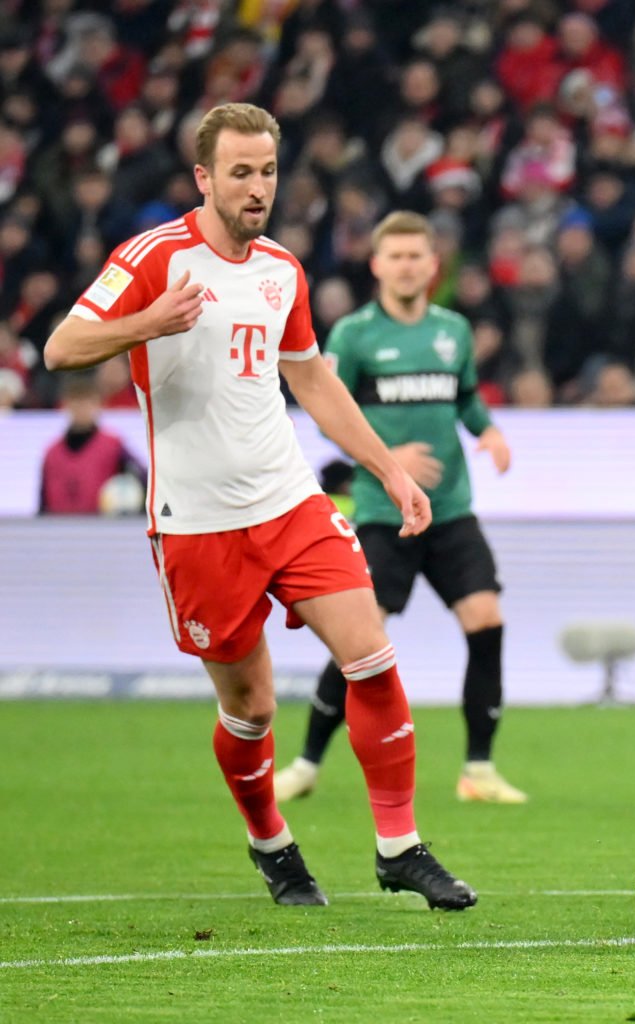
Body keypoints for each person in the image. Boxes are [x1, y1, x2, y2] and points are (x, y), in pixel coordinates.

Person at [41, 103, 476, 910]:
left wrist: (385, 469)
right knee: (251, 707)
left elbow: (311, 378)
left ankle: (399, 846)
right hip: (198, 524)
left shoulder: (282, 269)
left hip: (289, 499)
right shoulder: (152, 258)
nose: (257, 187)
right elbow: (61, 348)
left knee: (370, 654)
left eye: (268, 171)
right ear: (204, 177)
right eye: (240, 172)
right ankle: (272, 843)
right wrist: (147, 321)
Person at [271, 211, 526, 806]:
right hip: (384, 514)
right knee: (361, 640)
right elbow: (325, 412)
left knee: (486, 621)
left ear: (433, 266)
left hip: (452, 509)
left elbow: (463, 396)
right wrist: (390, 457)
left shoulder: (454, 331)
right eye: (398, 256)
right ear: (377, 264)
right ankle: (306, 763)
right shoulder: (354, 336)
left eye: (418, 256)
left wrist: (488, 432)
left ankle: (479, 770)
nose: (408, 265)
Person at [38, 369, 144, 515]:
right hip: (59, 529)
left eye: (86, 402)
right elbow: (43, 501)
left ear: (98, 404)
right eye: (76, 402)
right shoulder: (52, 453)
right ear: (66, 405)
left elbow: (140, 480)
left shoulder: (113, 446)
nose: (81, 409)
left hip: (100, 530)